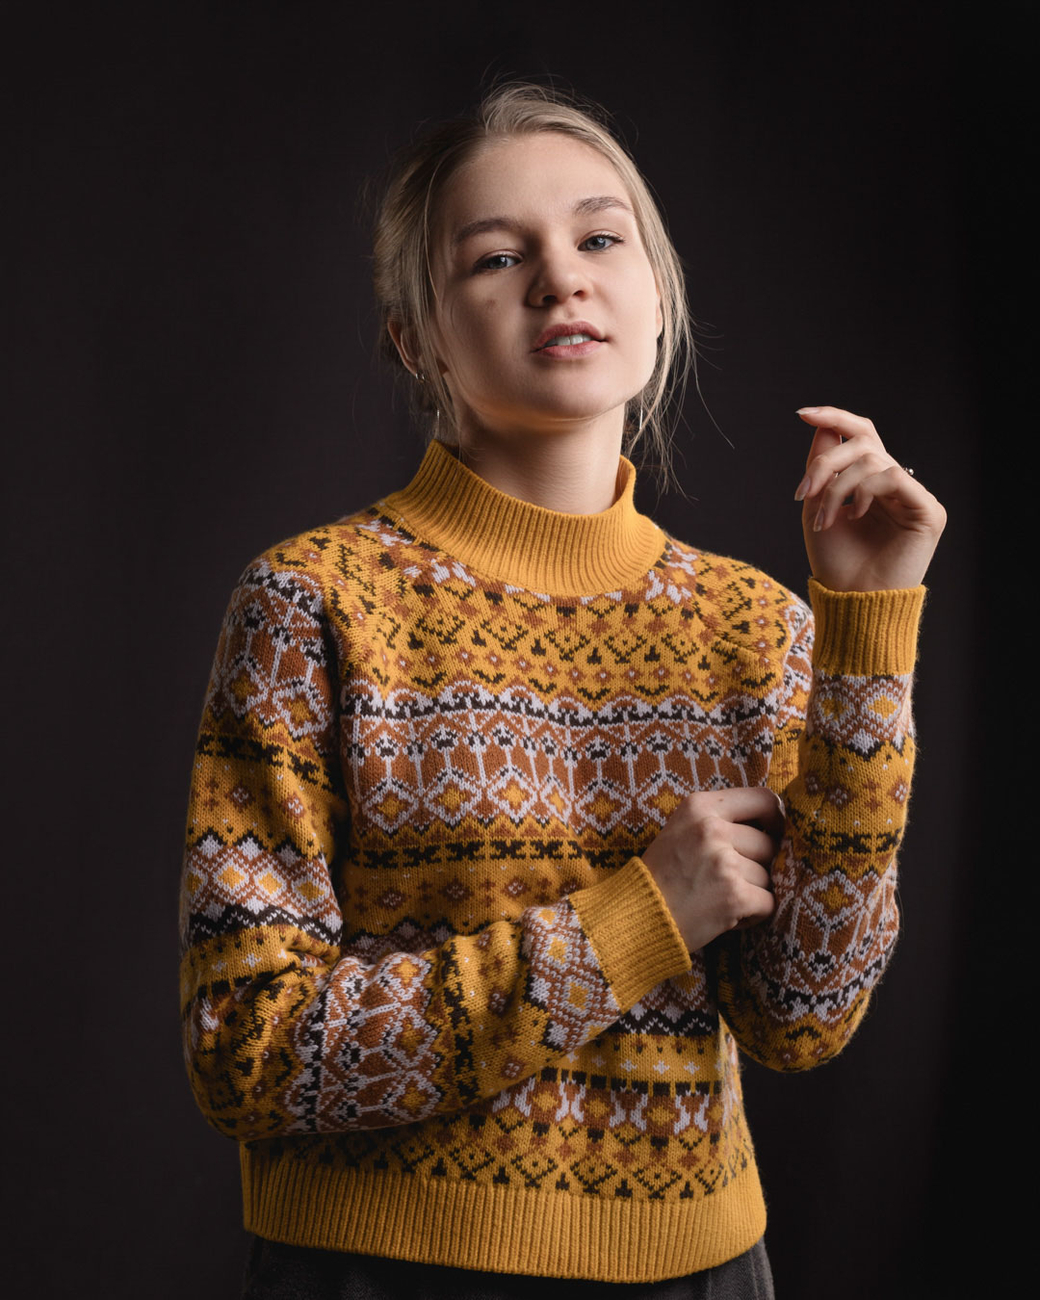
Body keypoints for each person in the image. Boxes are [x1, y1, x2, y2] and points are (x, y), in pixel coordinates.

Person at [179, 84, 946, 1298]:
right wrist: (639, 919)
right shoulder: (312, 603)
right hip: (380, 1270)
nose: (559, 279)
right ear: (415, 337)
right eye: (496, 257)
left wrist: (864, 641)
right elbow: (247, 1052)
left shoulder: (756, 626)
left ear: (657, 296)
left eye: (599, 237)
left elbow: (803, 1015)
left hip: (700, 1270)